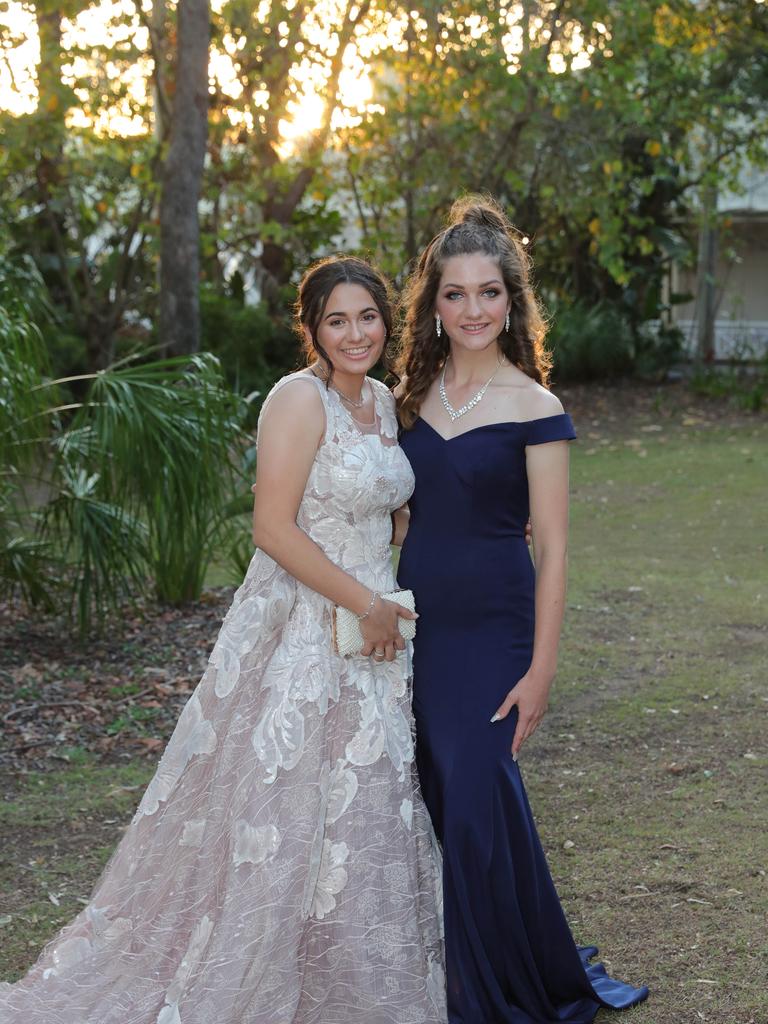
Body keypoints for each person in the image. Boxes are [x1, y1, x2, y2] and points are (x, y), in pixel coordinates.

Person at [0, 256, 446, 1024]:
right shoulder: (297, 399)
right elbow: (272, 528)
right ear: (309, 329)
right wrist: (364, 600)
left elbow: (375, 489)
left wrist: (399, 523)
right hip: (308, 627)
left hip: (372, 636)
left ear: (386, 321)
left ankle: (348, 987)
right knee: (284, 807)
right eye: (334, 320)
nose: (354, 333)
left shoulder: (380, 398)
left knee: (365, 806)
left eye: (366, 317)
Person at [394, 196, 649, 1023]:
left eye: (490, 292)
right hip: (415, 626)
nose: (474, 310)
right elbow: (396, 517)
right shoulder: (409, 399)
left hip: (495, 630)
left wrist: (540, 671)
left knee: (474, 791)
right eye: (456, 294)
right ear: (434, 305)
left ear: (514, 301)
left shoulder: (536, 410)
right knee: (438, 795)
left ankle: (490, 993)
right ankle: (471, 961)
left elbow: (557, 549)